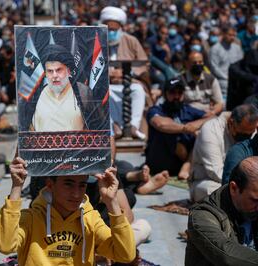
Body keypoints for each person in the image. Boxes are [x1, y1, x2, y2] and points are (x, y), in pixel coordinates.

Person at [0, 157, 136, 265]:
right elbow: (6, 246)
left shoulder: (91, 219)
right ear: (50, 185)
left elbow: (126, 254)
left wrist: (111, 201)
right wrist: (16, 187)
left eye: (82, 185)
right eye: (68, 184)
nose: (76, 194)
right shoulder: (31, 218)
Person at [186, 156, 258, 265]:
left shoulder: (251, 203)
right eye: (254, 200)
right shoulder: (202, 216)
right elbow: (226, 254)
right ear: (234, 188)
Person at [28, 44, 104, 132]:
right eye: (50, 71)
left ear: (68, 71)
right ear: (45, 73)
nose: (55, 75)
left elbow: (98, 128)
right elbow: (27, 129)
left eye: (59, 70)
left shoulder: (83, 92)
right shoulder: (36, 94)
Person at [190, 104, 258, 202]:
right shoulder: (210, 130)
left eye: (250, 135)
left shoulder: (250, 130)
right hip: (207, 181)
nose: (246, 139)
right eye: (243, 135)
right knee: (219, 192)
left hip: (244, 182)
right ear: (231, 123)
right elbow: (215, 172)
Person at [100, 6, 149, 139]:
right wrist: (108, 74)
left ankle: (133, 127)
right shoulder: (97, 41)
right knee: (102, 94)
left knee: (138, 90)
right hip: (107, 84)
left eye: (114, 30)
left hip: (128, 82)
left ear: (121, 28)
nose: (111, 32)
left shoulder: (131, 41)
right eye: (108, 29)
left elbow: (144, 63)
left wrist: (127, 73)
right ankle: (114, 127)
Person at [146, 78, 209, 179]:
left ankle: (187, 166)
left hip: (184, 160)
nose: (176, 96)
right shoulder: (156, 109)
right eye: (172, 92)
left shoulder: (187, 109)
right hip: (159, 162)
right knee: (167, 132)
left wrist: (195, 126)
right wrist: (186, 128)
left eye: (180, 93)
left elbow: (212, 117)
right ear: (165, 94)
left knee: (205, 131)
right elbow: (160, 124)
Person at [181, 51, 223, 116]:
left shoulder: (211, 79)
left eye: (200, 62)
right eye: (194, 63)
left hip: (207, 115)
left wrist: (213, 112)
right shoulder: (181, 80)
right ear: (187, 64)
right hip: (187, 116)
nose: (198, 65)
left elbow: (219, 103)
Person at [209, 26, 244, 98]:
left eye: (234, 35)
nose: (232, 37)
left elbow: (241, 64)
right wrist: (226, 77)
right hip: (222, 81)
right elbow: (214, 67)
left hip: (236, 80)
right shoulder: (215, 49)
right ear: (224, 34)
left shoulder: (237, 48)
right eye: (230, 35)